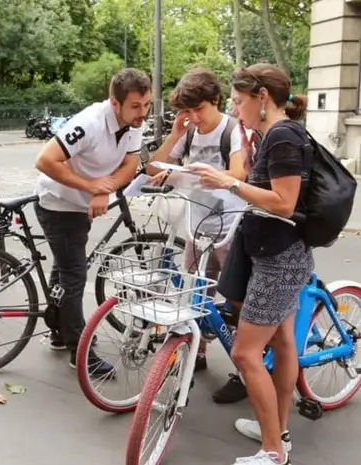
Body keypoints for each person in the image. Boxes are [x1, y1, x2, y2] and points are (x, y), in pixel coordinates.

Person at [190, 63, 313, 465]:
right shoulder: (272, 134)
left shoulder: (282, 136)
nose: (234, 108)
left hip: (279, 259)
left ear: (262, 98)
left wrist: (229, 182)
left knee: (245, 354)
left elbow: (284, 203)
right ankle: (278, 432)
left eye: (239, 101)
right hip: (274, 253)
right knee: (280, 342)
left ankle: (273, 451)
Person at [34, 67, 151, 376]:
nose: (143, 113)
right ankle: (79, 350)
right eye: (136, 106)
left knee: (63, 269)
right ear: (116, 103)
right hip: (59, 204)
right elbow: (45, 160)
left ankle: (58, 328)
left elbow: (131, 162)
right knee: (73, 276)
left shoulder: (134, 122)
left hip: (79, 203)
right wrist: (90, 187)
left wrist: (106, 187)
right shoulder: (89, 123)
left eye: (147, 104)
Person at [146, 67, 247, 381]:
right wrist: (176, 134)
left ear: (215, 100)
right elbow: (152, 167)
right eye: (186, 111)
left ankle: (245, 371)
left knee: (235, 299)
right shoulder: (188, 132)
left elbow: (238, 174)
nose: (194, 117)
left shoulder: (233, 130)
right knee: (196, 292)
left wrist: (200, 174)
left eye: (198, 109)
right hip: (197, 223)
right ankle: (197, 353)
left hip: (231, 225)